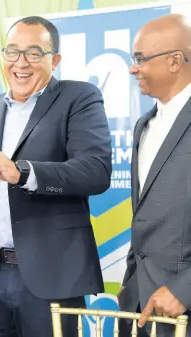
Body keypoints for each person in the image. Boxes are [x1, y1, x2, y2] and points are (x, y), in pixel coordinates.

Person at [0, 16, 112, 337]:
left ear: (54, 60)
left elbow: (95, 172)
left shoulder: (79, 98)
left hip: (52, 276)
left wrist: (21, 173)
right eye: (12, 52)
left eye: (34, 53)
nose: (21, 63)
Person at [118, 14, 191, 337]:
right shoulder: (142, 126)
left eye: (140, 59)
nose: (133, 69)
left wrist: (185, 290)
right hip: (138, 307)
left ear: (176, 61)